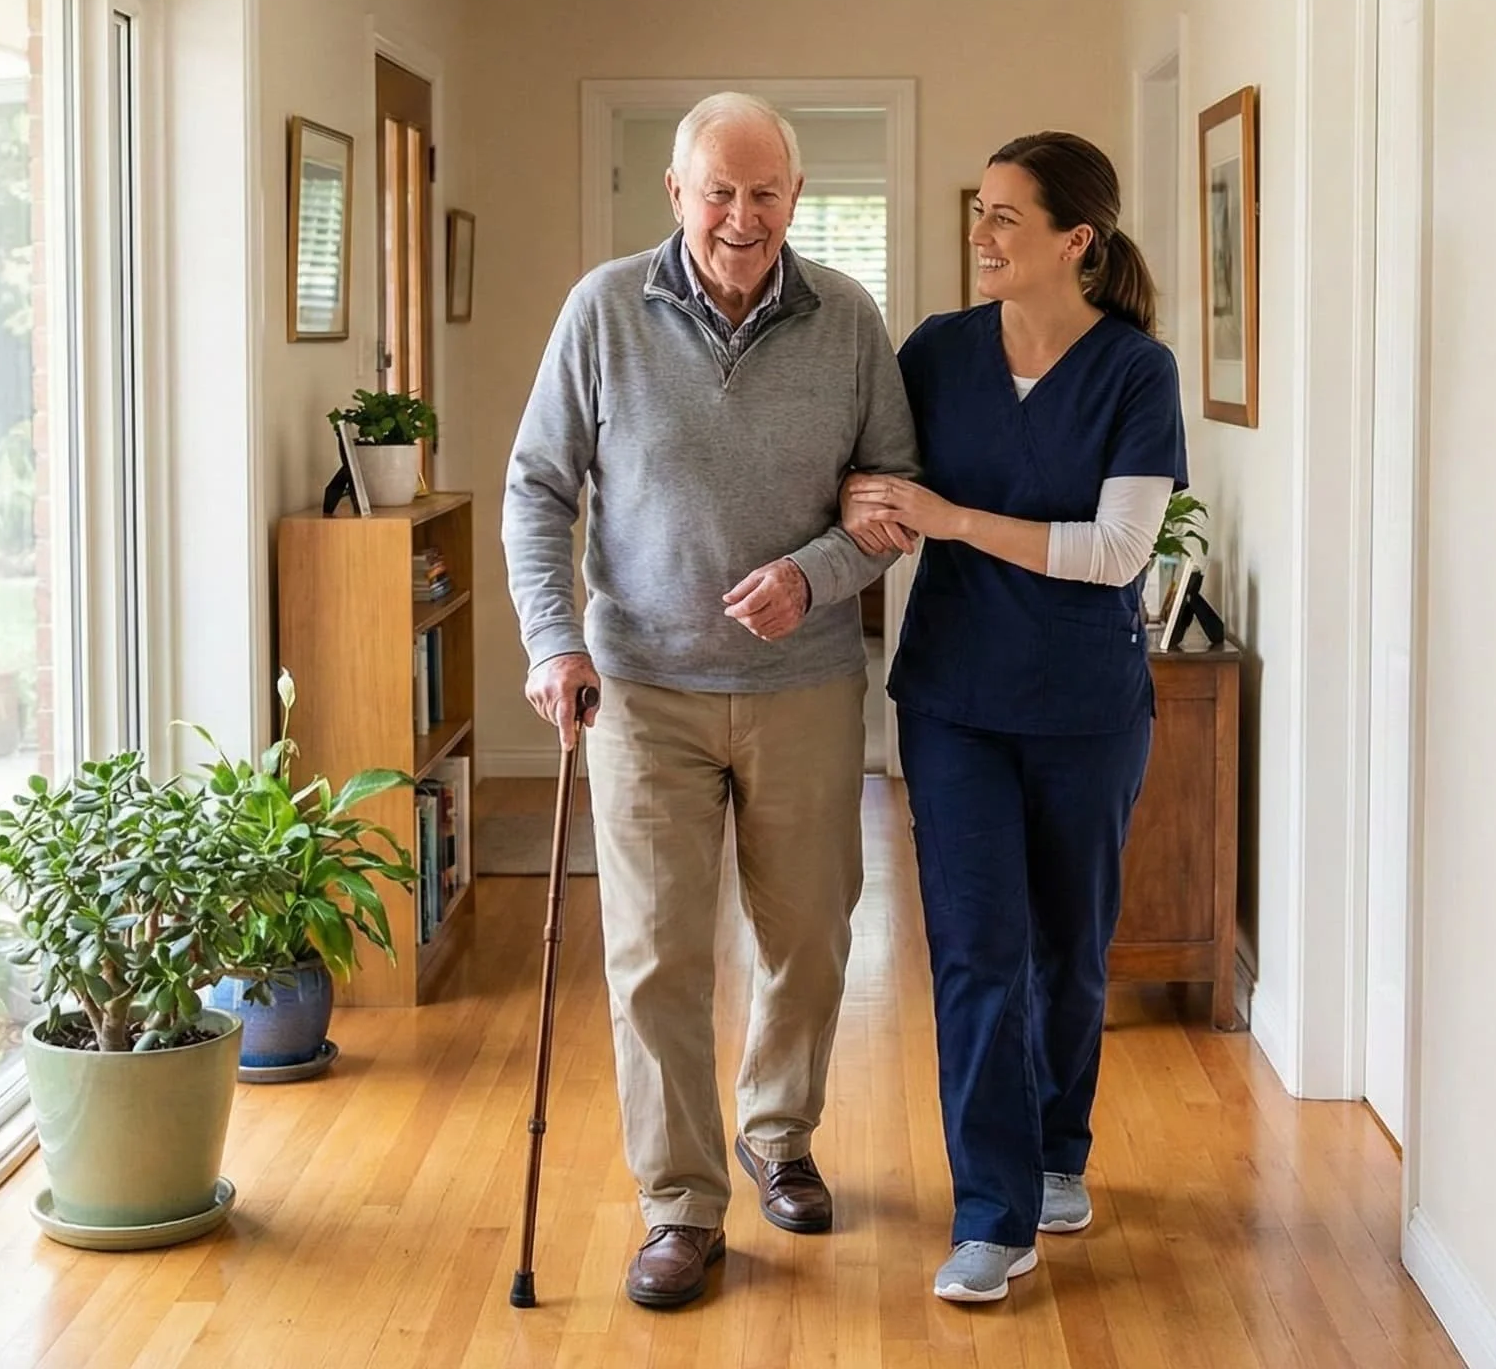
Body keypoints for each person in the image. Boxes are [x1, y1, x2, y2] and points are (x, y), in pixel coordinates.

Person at [503, 92, 918, 1310]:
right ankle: (679, 1201)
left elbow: (889, 500)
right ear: (677, 194)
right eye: (719, 192)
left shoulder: (847, 320)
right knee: (654, 958)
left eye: (765, 192)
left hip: (802, 686)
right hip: (641, 688)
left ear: (796, 196)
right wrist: (548, 638)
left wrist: (813, 574)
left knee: (810, 934)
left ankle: (777, 1134)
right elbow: (538, 487)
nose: (742, 216)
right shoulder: (602, 311)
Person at [841, 132, 1188, 1304]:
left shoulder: (1135, 372)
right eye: (978, 212)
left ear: (1073, 242)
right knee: (976, 953)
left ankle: (1055, 1150)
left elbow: (1117, 552)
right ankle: (991, 1213)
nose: (980, 233)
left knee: (1066, 954)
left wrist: (951, 517)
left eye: (1004, 217)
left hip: (1086, 708)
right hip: (951, 705)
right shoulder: (935, 353)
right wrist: (881, 507)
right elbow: (869, 476)